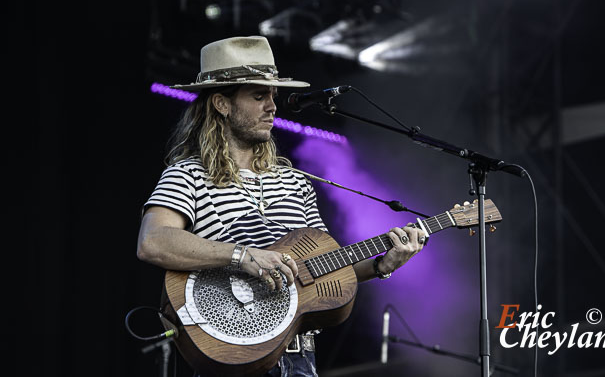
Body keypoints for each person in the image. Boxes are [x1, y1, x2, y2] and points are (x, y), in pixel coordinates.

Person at [137, 36, 427, 376]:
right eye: (259, 96)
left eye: (272, 95)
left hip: (299, 358)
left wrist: (382, 265)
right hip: (233, 355)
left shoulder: (294, 181)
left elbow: (321, 270)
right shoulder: (188, 174)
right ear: (221, 103)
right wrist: (242, 255)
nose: (272, 106)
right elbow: (153, 242)